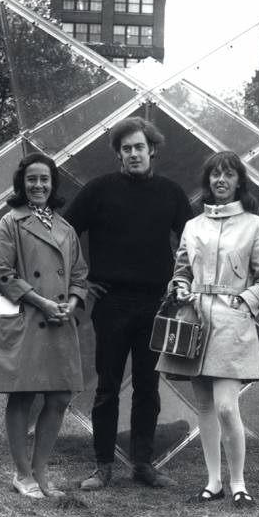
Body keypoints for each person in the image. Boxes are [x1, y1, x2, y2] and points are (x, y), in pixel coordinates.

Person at [64, 116, 194, 490]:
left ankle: (142, 464)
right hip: (112, 304)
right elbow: (65, 235)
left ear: (151, 149)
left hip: (156, 303)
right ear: (118, 154)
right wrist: (83, 281)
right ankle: (103, 466)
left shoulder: (171, 193)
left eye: (139, 147)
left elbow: (193, 245)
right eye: (126, 149)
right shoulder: (99, 190)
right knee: (106, 388)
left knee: (148, 388)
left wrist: (179, 284)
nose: (133, 154)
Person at [157, 151, 259, 510]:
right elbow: (181, 270)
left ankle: (239, 483)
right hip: (194, 321)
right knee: (205, 406)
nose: (220, 180)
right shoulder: (193, 226)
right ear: (207, 181)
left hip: (231, 322)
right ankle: (214, 483)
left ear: (240, 180)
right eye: (214, 175)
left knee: (227, 406)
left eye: (228, 174)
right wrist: (179, 287)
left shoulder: (256, 225)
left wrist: (246, 302)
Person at [0, 153, 89, 499]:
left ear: (53, 185)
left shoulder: (65, 228)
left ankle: (40, 473)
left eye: (45, 179)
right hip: (27, 319)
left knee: (60, 396)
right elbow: (0, 272)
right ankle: (22, 474)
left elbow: (80, 275)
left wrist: (69, 304)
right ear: (22, 185)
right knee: (22, 394)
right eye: (32, 179)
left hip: (59, 322)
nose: (38, 185)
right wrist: (41, 302)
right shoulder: (11, 222)